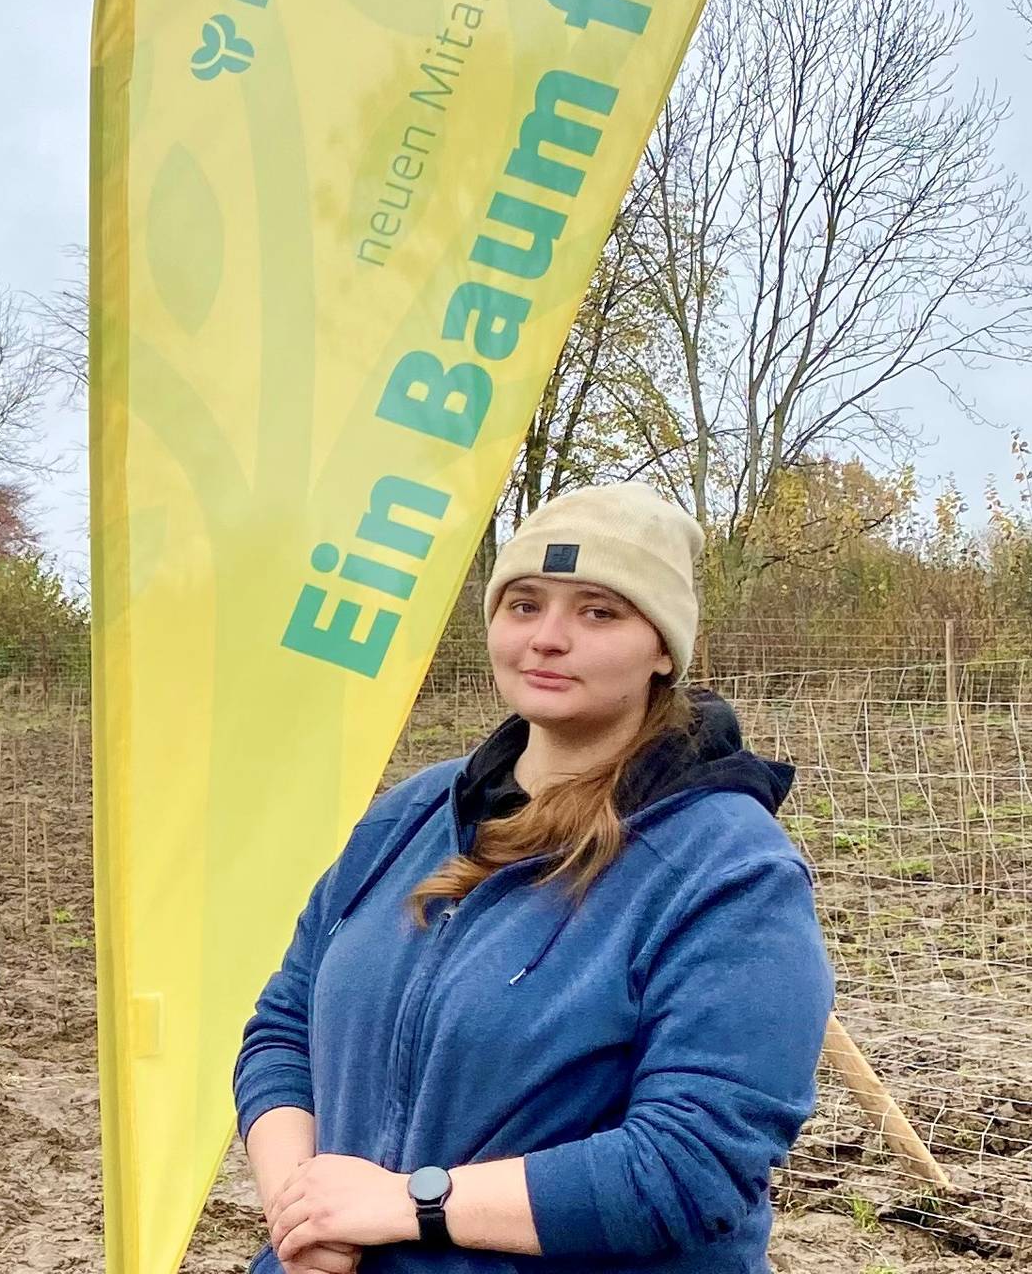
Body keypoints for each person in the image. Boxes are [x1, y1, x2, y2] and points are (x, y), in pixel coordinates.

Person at [235, 484, 836, 1274]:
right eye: (523, 605)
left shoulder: (728, 868)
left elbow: (692, 1167)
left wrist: (407, 1204)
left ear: (663, 648)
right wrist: (305, 1212)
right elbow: (283, 1028)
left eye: (598, 612)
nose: (548, 639)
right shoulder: (408, 816)